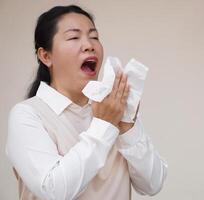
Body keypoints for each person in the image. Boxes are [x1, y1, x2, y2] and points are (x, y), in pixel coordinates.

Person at [6, 5, 167, 200]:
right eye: (74, 37)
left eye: (94, 37)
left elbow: (152, 184)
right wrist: (104, 125)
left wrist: (127, 127)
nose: (89, 45)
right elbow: (54, 190)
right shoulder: (27, 114)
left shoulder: (113, 109)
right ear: (46, 56)